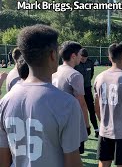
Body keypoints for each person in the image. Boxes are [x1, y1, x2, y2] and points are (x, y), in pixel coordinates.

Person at [0, 24, 87, 167]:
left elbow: (3, 160)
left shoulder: (5, 101)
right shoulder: (67, 103)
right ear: (53, 55)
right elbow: (72, 162)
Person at [52, 41, 90, 154]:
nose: (81, 56)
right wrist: (86, 125)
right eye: (79, 54)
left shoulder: (55, 71)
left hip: (56, 119)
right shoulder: (75, 75)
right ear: (73, 56)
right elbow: (81, 103)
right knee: (73, 157)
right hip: (70, 121)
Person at [75, 48, 99, 138]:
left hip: (87, 89)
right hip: (77, 90)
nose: (83, 60)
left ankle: (96, 129)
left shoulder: (90, 62)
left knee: (91, 109)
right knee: (79, 110)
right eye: (82, 58)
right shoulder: (76, 64)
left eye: (85, 58)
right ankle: (81, 130)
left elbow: (91, 74)